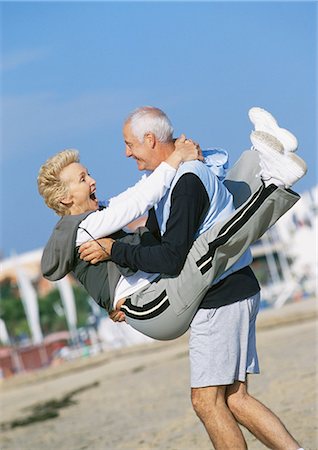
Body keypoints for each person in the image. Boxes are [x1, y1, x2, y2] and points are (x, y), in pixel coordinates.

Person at [78, 106, 305, 450]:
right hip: (234, 289)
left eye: (130, 144)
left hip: (220, 297)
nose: (126, 153)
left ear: (150, 140)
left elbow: (170, 258)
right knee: (234, 399)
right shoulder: (174, 179)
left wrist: (113, 251)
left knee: (206, 401)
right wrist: (121, 292)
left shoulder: (186, 182)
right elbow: (153, 243)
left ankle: (272, 164)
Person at [40, 120, 303, 341]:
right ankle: (276, 184)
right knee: (207, 247)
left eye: (88, 174)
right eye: (83, 179)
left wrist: (180, 154)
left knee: (221, 201)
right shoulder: (85, 228)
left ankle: (262, 155)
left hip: (157, 289)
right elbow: (138, 202)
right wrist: (176, 156)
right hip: (151, 305)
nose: (93, 180)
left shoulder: (98, 214)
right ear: (65, 198)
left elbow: (139, 191)